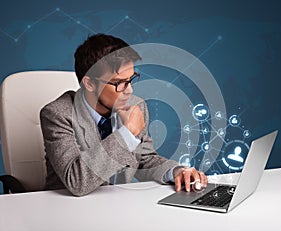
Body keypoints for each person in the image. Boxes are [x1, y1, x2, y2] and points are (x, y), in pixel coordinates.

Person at [40, 33, 208, 196]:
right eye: (120, 83)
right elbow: (77, 181)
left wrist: (176, 171)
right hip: (67, 210)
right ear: (90, 83)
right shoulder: (57, 115)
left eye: (131, 79)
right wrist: (127, 134)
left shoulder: (136, 106)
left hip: (117, 207)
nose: (130, 91)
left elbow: (144, 160)